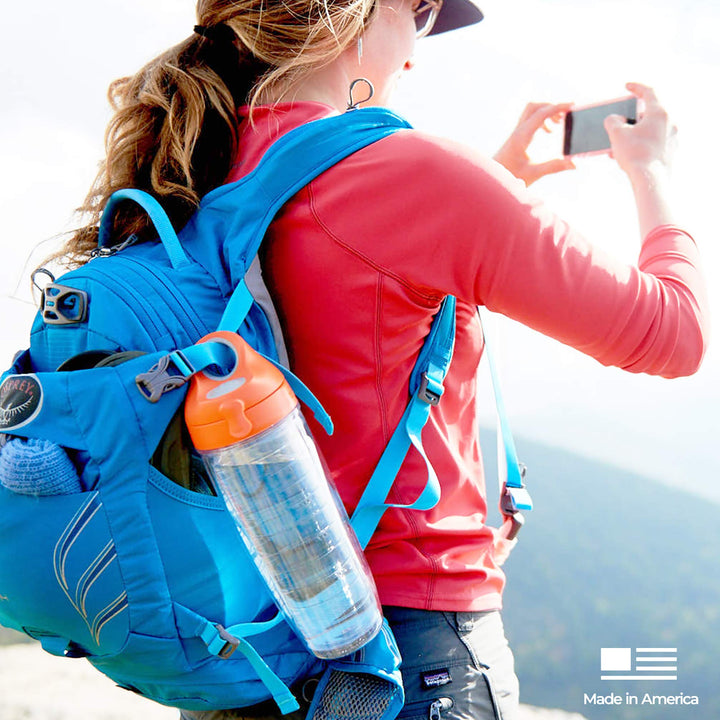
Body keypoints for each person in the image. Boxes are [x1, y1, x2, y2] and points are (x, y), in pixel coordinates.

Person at [56, 0, 709, 718]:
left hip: (244, 652)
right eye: (422, 11)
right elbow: (674, 334)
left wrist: (497, 181)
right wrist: (653, 171)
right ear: (354, 15)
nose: (417, 49)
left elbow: (337, 298)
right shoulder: (412, 174)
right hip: (408, 656)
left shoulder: (189, 174)